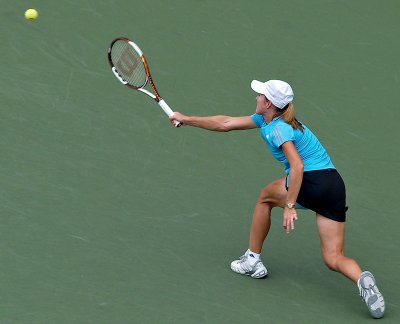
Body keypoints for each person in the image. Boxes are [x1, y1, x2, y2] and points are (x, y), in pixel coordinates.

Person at [169, 79, 385, 319]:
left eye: (260, 95)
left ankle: (252, 259)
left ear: (268, 102)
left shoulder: (279, 128)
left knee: (264, 198)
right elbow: (225, 123)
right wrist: (187, 119)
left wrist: (290, 205)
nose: (256, 97)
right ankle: (362, 279)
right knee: (333, 258)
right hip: (334, 185)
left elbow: (297, 166)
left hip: (309, 180)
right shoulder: (266, 119)